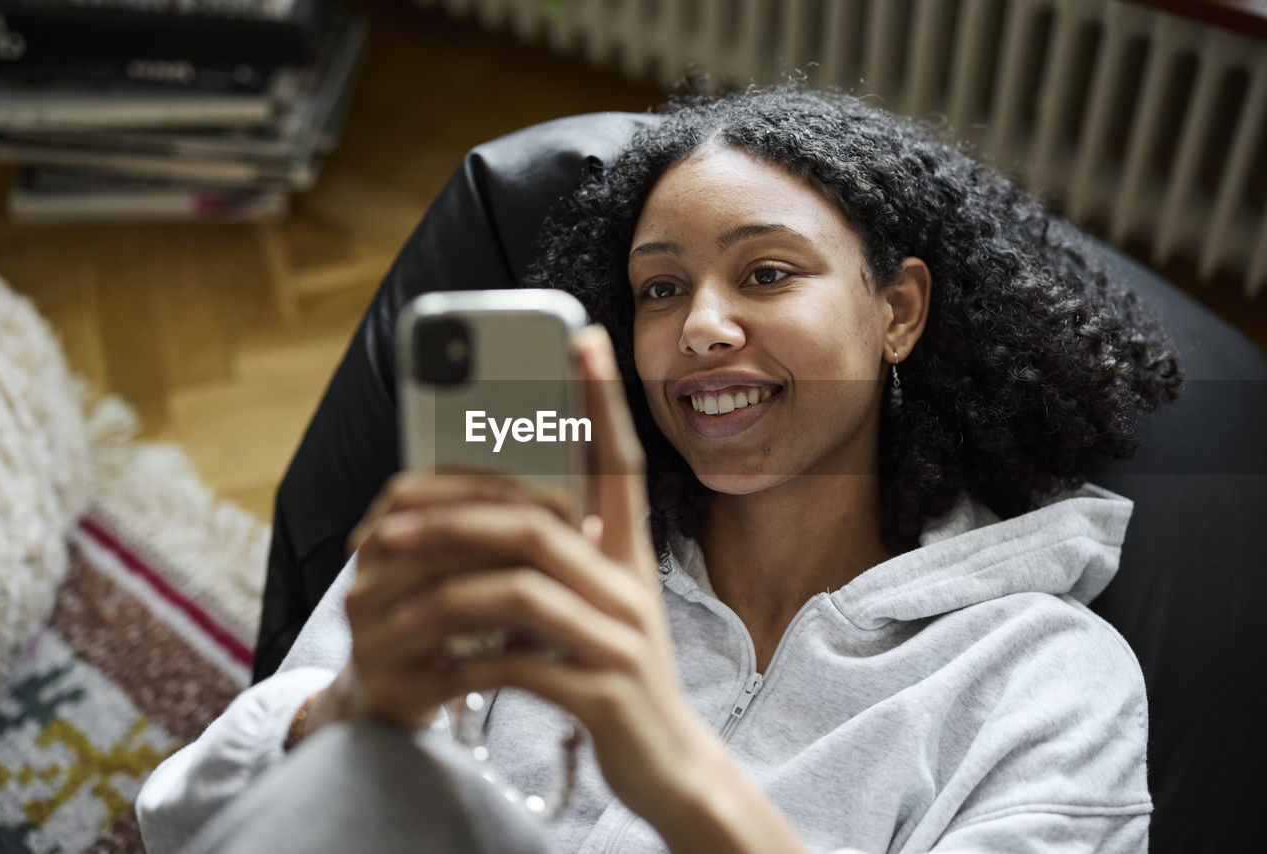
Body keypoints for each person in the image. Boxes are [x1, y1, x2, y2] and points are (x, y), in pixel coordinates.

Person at [136, 86, 1180, 853]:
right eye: (659, 288)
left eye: (765, 273)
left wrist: (671, 770)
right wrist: (344, 714)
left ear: (894, 309)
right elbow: (178, 817)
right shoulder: (523, 532)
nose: (700, 327)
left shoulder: (1038, 678)